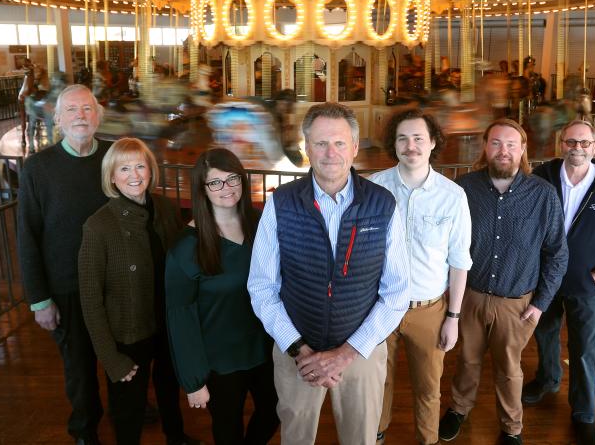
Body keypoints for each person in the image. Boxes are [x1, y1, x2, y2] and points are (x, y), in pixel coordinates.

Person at [247, 102, 410, 445]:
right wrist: (300, 349)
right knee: (296, 436)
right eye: (320, 143)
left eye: (339, 143)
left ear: (354, 147)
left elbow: (396, 292)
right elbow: (262, 287)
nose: (330, 152)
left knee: (360, 438)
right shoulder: (281, 203)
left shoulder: (382, 204)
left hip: (361, 352)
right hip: (297, 353)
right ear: (306, 148)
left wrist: (347, 352)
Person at [439, 118, 568, 445]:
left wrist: (540, 304)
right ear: (485, 146)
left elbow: (557, 253)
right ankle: (458, 408)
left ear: (523, 149)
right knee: (466, 361)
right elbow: (448, 245)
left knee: (510, 371)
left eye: (511, 144)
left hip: (517, 304)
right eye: (496, 143)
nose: (503, 150)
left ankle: (512, 428)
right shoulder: (464, 189)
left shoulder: (543, 195)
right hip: (470, 297)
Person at [523, 120, 595, 445]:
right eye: (571, 142)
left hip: (588, 287)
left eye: (584, 143)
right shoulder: (542, 177)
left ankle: (584, 413)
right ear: (562, 144)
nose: (577, 148)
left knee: (585, 348)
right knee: (545, 334)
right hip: (545, 282)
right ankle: (548, 379)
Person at [370, 109, 472, 445]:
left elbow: (459, 262)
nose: (410, 145)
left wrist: (453, 317)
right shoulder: (374, 188)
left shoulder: (453, 196)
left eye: (417, 138)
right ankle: (377, 434)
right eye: (402, 138)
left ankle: (426, 440)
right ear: (394, 144)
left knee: (429, 388)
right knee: (377, 382)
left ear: (432, 143)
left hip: (429, 310)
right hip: (380, 306)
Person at [165, 148, 280, 445]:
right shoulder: (186, 247)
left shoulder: (261, 225)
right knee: (227, 430)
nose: (226, 188)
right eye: (215, 183)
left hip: (264, 348)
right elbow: (180, 317)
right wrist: (193, 381)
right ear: (202, 189)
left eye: (232, 179)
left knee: (275, 411)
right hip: (220, 359)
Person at [18, 84, 110, 445]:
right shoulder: (38, 169)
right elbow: (27, 235)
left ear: (98, 115)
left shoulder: (115, 158)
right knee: (80, 367)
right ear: (57, 120)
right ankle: (84, 429)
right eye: (71, 110)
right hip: (67, 286)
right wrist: (39, 299)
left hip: (116, 283)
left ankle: (125, 408)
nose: (80, 116)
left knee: (123, 356)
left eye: (87, 109)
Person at [78, 137, 180, 444]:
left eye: (140, 166)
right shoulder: (98, 227)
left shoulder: (164, 207)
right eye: (124, 168)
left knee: (170, 391)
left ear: (150, 170)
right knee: (128, 412)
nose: (134, 175)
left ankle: (176, 437)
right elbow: (91, 299)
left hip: (167, 325)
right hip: (128, 336)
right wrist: (111, 359)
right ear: (111, 176)